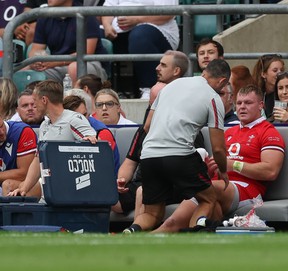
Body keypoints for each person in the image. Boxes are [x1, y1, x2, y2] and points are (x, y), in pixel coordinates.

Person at [151, 84, 285, 233]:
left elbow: (270, 171)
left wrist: (234, 165)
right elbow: (218, 168)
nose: (242, 107)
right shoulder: (229, 132)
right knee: (196, 212)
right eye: (239, 103)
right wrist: (208, 170)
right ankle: (160, 237)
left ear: (261, 105)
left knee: (206, 189)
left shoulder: (268, 132)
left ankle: (189, 231)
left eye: (248, 103)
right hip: (221, 186)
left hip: (248, 190)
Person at [123, 59, 230, 233]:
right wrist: (223, 171)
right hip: (179, 156)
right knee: (208, 198)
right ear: (222, 81)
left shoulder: (171, 86)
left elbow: (147, 126)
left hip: (149, 156)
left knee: (151, 213)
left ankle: (131, 231)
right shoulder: (213, 98)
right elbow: (218, 148)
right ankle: (197, 229)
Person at [115, 50, 191, 215]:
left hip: (172, 184)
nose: (157, 68)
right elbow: (130, 161)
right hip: (143, 181)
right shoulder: (144, 129)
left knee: (144, 192)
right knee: (109, 194)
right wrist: (120, 181)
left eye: (163, 65)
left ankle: (136, 232)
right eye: (149, 105)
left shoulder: (186, 124)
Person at [8, 79, 97, 198]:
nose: (33, 106)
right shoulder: (44, 125)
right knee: (14, 193)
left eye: (35, 101)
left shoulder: (74, 119)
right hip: (50, 184)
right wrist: (23, 188)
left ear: (44, 100)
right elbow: (38, 159)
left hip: (74, 188)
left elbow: (95, 145)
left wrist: (91, 139)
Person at [101, 0, 180, 98]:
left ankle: (149, 88)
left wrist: (137, 19)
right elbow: (107, 8)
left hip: (157, 30)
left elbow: (168, 12)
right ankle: (97, 88)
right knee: (93, 35)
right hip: (119, 31)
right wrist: (107, 26)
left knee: (139, 35)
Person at [28, 0, 108, 84]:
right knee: (24, 70)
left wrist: (53, 62)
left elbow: (86, 52)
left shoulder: (86, 14)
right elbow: (35, 49)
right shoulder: (44, 16)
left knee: (74, 68)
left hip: (88, 64)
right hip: (56, 66)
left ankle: (76, 97)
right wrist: (36, 60)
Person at [63, 92, 120, 176]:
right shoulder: (60, 128)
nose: (83, 119)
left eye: (85, 114)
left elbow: (102, 169)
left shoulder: (101, 133)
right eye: (78, 117)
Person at [0, 115, 38, 196]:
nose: (1, 132)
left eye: (1, 126)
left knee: (8, 185)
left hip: (32, 185)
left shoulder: (22, 131)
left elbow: (25, 173)